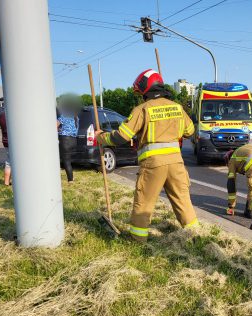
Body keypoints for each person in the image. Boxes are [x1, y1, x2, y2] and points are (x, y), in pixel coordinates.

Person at [95, 69, 198, 241]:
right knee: (183, 201)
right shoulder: (178, 108)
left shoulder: (142, 109)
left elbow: (122, 136)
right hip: (176, 164)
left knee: (144, 203)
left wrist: (101, 137)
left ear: (145, 90)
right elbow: (190, 131)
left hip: (153, 165)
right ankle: (195, 237)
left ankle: (137, 240)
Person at [56, 95, 80, 183]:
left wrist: (58, 129)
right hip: (73, 140)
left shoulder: (63, 116)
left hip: (65, 140)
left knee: (65, 161)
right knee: (68, 160)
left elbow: (55, 126)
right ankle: (71, 178)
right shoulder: (76, 118)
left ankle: (70, 180)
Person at [0, 107, 11, 186]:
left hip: (5, 140)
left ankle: (6, 182)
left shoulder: (0, 115)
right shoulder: (9, 115)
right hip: (13, 142)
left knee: (9, 162)